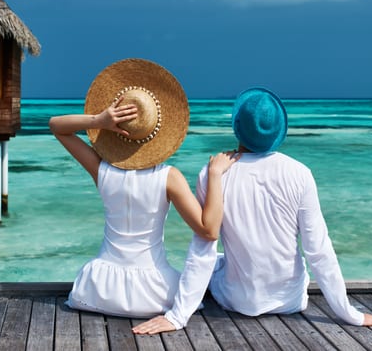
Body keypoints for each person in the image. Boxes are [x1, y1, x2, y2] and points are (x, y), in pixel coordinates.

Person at [133, 87, 372, 335]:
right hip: (291, 300)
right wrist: (351, 314)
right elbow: (319, 251)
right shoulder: (300, 174)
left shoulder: (212, 173)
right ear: (278, 130)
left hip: (237, 302)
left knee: (216, 260)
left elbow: (202, 250)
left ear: (237, 128)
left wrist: (177, 316)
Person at [49, 58, 237, 329]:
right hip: (154, 294)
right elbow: (209, 231)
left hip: (97, 291)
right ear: (158, 131)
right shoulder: (168, 177)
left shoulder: (101, 171)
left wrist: (99, 120)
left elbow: (56, 126)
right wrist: (216, 175)